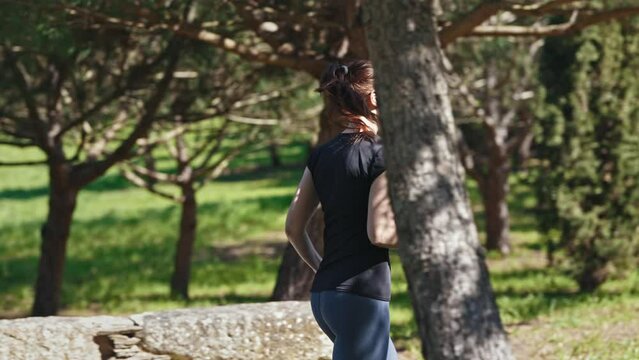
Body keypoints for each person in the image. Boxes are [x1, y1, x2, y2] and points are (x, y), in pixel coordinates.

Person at [284, 59, 399, 360]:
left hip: (325, 296)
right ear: (374, 98)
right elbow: (380, 233)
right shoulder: (382, 155)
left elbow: (293, 228)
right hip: (361, 299)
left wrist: (322, 269)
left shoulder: (322, 154)